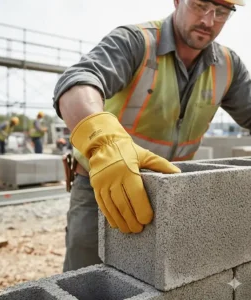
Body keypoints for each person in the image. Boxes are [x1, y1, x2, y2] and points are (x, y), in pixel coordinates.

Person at [53, 0, 251, 272]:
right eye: (200, 5)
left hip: (172, 190)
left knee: (158, 278)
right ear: (178, 1)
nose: (208, 20)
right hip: (104, 185)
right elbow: (78, 80)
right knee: (86, 277)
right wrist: (104, 143)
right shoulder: (137, 42)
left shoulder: (228, 66)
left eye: (221, 11)